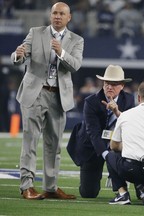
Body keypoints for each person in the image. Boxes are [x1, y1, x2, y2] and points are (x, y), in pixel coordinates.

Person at [10, 2, 84, 200]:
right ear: (50, 15)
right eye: (54, 13)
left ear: (69, 18)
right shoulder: (36, 32)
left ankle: (50, 188)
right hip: (35, 93)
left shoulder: (76, 40)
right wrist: (17, 56)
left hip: (58, 95)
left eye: (61, 13)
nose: (57, 16)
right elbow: (20, 55)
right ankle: (27, 186)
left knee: (54, 144)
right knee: (30, 141)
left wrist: (61, 52)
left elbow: (75, 66)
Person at [66, 65, 135, 198]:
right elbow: (93, 132)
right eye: (107, 83)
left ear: (122, 86)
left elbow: (130, 127)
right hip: (93, 147)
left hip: (117, 147)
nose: (109, 87)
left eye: (114, 84)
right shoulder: (91, 102)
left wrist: (117, 112)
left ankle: (132, 184)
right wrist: (106, 156)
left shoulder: (128, 100)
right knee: (88, 193)